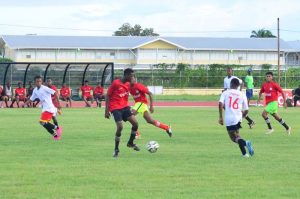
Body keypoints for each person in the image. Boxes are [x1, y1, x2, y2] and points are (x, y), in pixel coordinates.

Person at [105, 68, 140, 158]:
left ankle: (130, 143)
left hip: (125, 107)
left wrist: (136, 106)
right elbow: (108, 95)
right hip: (115, 108)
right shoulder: (116, 83)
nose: (133, 77)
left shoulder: (129, 84)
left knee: (135, 124)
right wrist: (106, 110)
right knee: (120, 127)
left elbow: (136, 89)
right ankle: (116, 149)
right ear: (127, 75)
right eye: (131, 75)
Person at [219, 78, 254, 158]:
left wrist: (221, 117)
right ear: (238, 86)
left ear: (230, 84)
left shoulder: (225, 93)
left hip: (229, 118)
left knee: (233, 137)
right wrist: (241, 116)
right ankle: (244, 154)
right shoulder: (242, 94)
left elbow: (220, 104)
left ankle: (246, 143)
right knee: (237, 135)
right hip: (238, 118)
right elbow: (246, 110)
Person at [24, 76, 62, 140]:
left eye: (40, 81)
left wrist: (58, 104)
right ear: (35, 82)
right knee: (44, 123)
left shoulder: (45, 88)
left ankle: (57, 128)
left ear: (42, 82)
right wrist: (25, 104)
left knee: (42, 122)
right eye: (37, 81)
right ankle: (55, 136)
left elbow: (55, 93)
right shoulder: (35, 90)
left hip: (49, 108)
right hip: (44, 108)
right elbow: (31, 99)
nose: (38, 82)